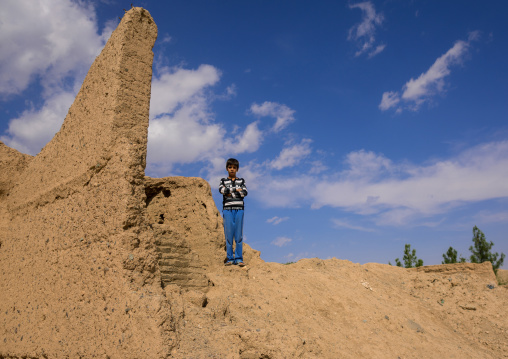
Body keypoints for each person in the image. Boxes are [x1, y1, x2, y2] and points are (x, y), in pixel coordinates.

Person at [219, 158, 248, 267]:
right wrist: (236, 190)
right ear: (227, 168)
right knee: (229, 235)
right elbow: (222, 191)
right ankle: (230, 259)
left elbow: (245, 193)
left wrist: (229, 192)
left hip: (239, 209)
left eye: (234, 167)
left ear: (237, 169)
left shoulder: (242, 181)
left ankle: (239, 259)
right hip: (227, 210)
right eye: (230, 167)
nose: (232, 169)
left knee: (238, 235)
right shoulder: (223, 181)